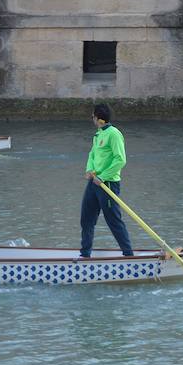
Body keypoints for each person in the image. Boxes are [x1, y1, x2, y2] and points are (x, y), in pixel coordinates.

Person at [80, 104, 134, 258]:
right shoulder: (98, 134)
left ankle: (129, 255)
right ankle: (85, 254)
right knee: (86, 219)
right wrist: (89, 169)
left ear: (99, 118)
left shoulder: (114, 134)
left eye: (93, 116)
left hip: (108, 183)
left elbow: (120, 160)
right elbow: (92, 154)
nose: (92, 119)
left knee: (113, 221)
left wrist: (103, 177)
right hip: (93, 183)